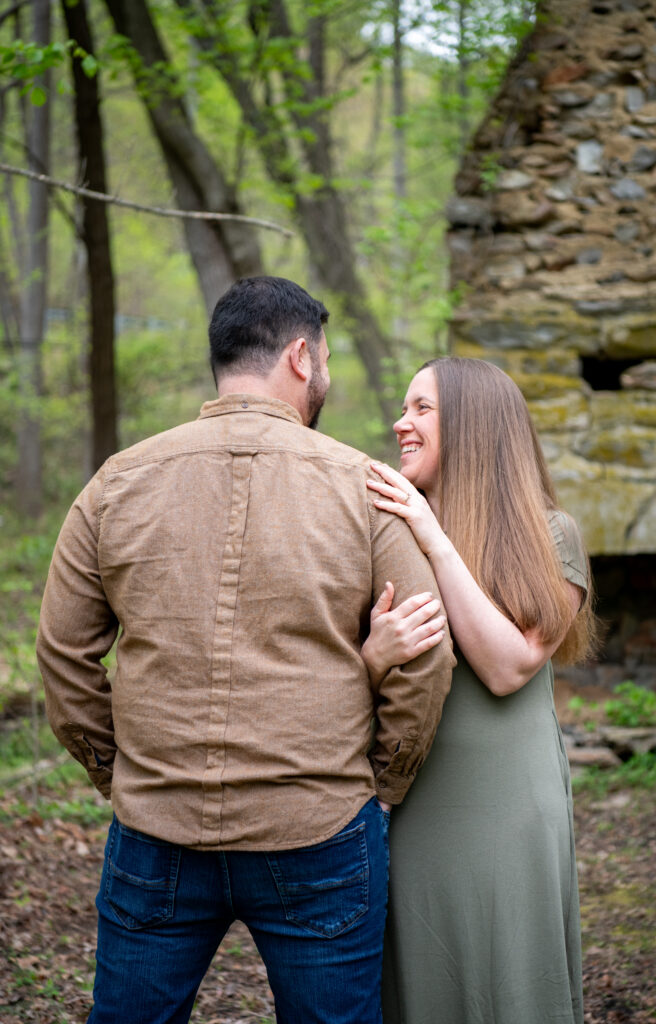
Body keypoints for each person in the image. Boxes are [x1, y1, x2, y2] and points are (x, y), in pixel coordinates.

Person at [36, 277, 455, 1024]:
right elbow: (425, 651)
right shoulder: (365, 488)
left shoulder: (114, 485)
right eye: (322, 359)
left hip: (155, 829)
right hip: (319, 826)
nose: (322, 373)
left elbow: (64, 656)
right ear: (301, 357)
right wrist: (377, 781)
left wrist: (120, 773)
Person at [360, 357, 598, 1024]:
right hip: (409, 804)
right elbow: (339, 682)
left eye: (421, 409)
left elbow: (506, 667)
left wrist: (433, 537)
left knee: (509, 984)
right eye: (404, 408)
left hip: (507, 808)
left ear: (472, 425)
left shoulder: (550, 535)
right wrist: (372, 655)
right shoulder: (386, 533)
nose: (399, 423)